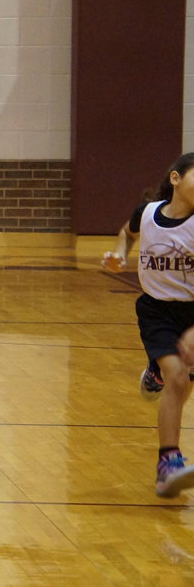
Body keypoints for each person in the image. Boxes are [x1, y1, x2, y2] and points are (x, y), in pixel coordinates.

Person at [101, 152, 194, 497]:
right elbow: (127, 233)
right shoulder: (149, 214)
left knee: (180, 380)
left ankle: (156, 371)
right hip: (156, 311)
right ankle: (168, 463)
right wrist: (119, 255)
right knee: (180, 380)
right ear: (175, 179)